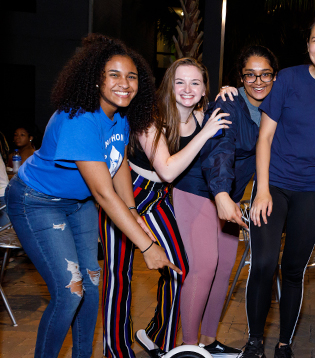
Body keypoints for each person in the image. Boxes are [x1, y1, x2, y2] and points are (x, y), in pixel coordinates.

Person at [5, 33, 180, 358]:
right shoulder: (78, 119)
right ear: (95, 79)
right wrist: (147, 245)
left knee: (92, 283)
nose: (124, 83)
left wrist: (133, 210)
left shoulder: (121, 115)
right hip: (36, 202)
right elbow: (102, 191)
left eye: (131, 76)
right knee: (70, 292)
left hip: (77, 203)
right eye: (113, 75)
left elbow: (119, 165)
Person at [241, 14, 315, 358]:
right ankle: (254, 343)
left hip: (313, 190)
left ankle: (284, 345)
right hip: (274, 184)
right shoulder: (289, 79)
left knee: (294, 269)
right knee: (263, 263)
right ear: (308, 45)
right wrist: (261, 190)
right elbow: (264, 138)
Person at [101, 57, 230, 358]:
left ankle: (161, 339)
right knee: (119, 275)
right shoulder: (150, 117)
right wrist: (205, 134)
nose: (187, 89)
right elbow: (168, 170)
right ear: (169, 86)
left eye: (195, 82)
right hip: (126, 192)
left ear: (203, 89)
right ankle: (117, 352)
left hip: (159, 196)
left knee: (178, 270)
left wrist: (229, 92)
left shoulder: (201, 115)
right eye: (180, 82)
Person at [174, 46, 278, 357]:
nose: (257, 80)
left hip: (230, 197)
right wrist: (219, 193)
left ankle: (207, 341)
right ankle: (189, 348)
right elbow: (220, 148)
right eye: (250, 74)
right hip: (200, 189)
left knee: (222, 270)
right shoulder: (229, 102)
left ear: (275, 76)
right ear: (241, 78)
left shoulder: (279, 107)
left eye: (265, 74)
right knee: (204, 267)